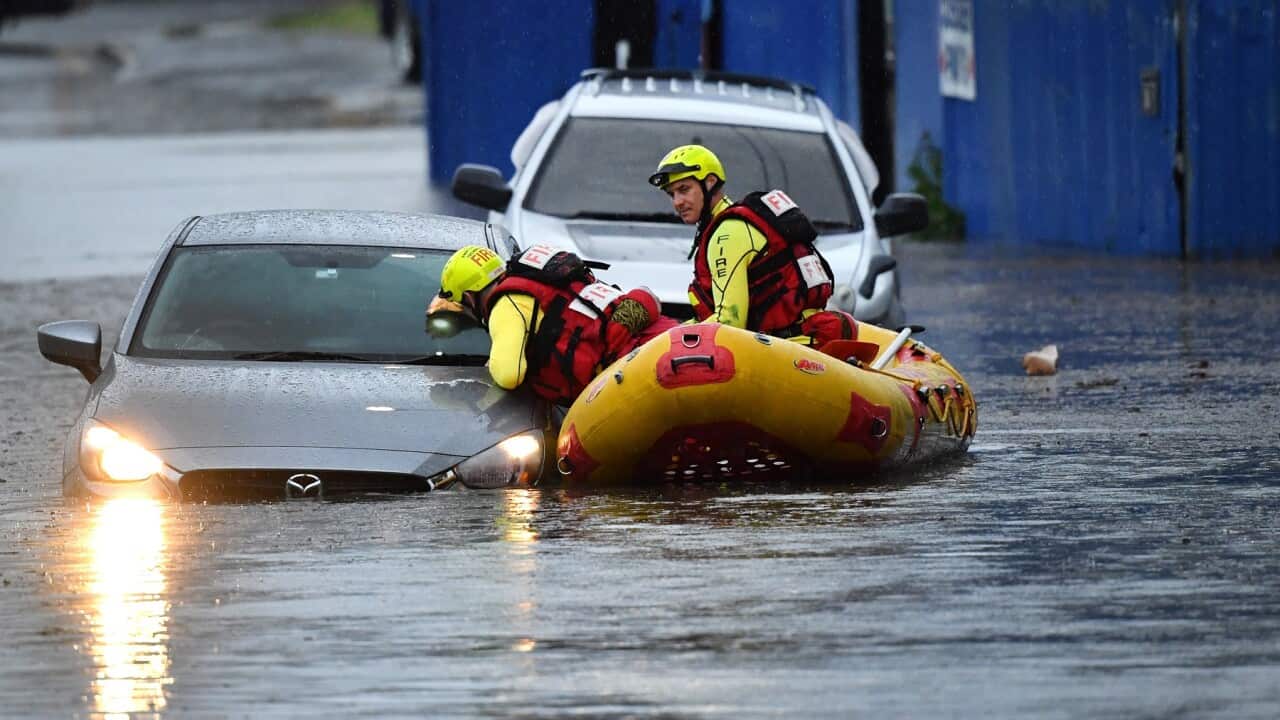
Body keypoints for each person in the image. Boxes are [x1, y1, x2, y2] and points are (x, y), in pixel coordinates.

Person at [648, 144, 859, 349]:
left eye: (684, 189)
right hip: (802, 340)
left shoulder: (727, 232)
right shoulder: (740, 220)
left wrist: (664, 346)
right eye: (671, 194)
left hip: (791, 348)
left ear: (710, 182)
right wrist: (668, 335)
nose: (677, 202)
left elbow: (730, 321)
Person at [427, 243, 677, 405]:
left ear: (469, 297)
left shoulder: (505, 304)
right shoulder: (541, 282)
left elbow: (509, 374)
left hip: (633, 368)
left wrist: (490, 365)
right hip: (663, 338)